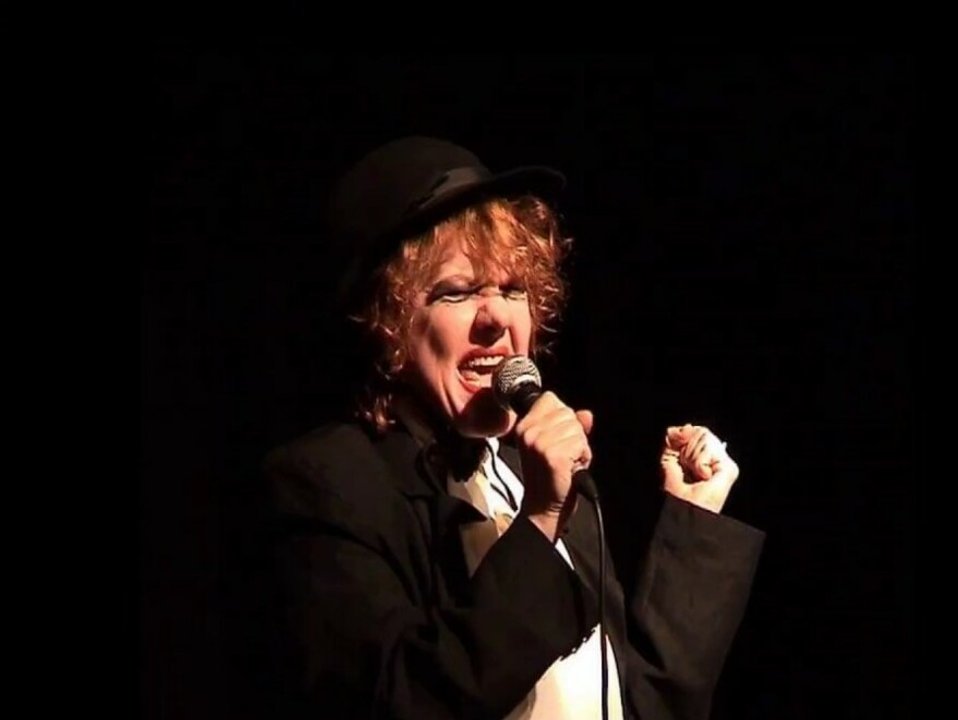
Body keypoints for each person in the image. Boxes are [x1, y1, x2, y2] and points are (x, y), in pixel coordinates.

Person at [246, 136, 764, 720]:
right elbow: (407, 700)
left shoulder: (533, 472)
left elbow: (641, 704)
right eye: (457, 293)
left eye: (514, 289)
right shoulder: (328, 482)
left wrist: (693, 524)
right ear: (388, 321)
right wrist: (540, 522)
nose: (496, 318)